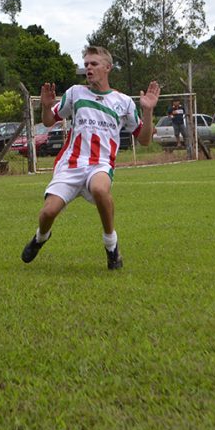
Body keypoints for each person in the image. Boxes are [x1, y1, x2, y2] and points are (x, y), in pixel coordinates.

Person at [21, 45, 160, 270]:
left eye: (94, 64)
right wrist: (46, 107)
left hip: (100, 163)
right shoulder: (76, 92)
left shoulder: (123, 102)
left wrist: (147, 111)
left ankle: (111, 245)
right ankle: (41, 237)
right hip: (71, 164)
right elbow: (48, 121)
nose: (88, 68)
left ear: (107, 67)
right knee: (48, 212)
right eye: (86, 64)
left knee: (99, 188)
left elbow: (144, 140)